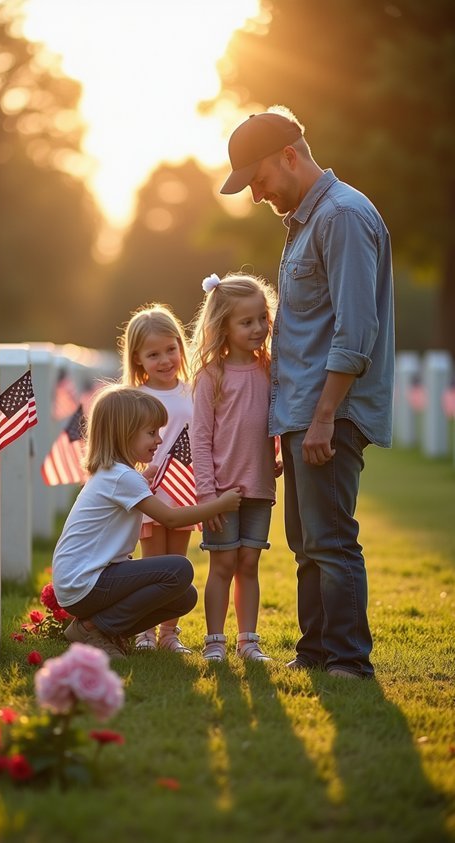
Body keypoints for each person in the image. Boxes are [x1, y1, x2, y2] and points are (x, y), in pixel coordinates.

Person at [220, 106, 395, 679]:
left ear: (288, 156)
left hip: (330, 414)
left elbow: (354, 330)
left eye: (259, 180)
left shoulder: (342, 217)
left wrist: (322, 417)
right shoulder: (306, 222)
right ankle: (316, 652)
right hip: (301, 413)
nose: (256, 195)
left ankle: (347, 660)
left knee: (331, 540)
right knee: (305, 541)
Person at [51, 384, 241, 659]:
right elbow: (170, 518)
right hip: (85, 582)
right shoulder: (121, 477)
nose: (159, 440)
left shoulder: (115, 474)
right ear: (124, 434)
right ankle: (94, 628)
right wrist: (218, 506)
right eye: (152, 433)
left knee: (184, 596)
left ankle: (106, 630)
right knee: (178, 569)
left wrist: (143, 480)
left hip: (84, 581)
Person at [190, 272, 283, 662]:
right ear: (223, 326)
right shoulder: (212, 375)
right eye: (246, 322)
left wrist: (276, 453)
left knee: (249, 562)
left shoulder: (269, 369)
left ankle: (249, 641)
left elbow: (276, 414)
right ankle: (215, 641)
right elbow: (201, 437)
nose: (258, 328)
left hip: (259, 485)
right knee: (223, 563)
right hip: (222, 491)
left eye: (262, 318)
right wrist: (208, 494)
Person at [120, 304, 196, 654]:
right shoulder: (136, 398)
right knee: (153, 564)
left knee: (178, 563)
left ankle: (170, 632)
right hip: (148, 492)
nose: (165, 360)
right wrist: (139, 472)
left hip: (183, 490)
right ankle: (145, 632)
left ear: (181, 346)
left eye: (171, 349)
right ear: (138, 359)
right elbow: (124, 447)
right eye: (153, 354)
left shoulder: (194, 392)